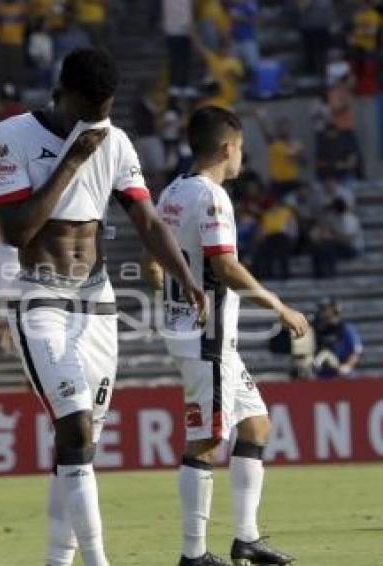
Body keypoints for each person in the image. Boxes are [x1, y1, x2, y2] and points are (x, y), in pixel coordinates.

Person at [0, 47, 207, 566]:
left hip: (98, 301)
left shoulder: (114, 139)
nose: (98, 121)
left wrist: (185, 276)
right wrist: (73, 158)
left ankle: (57, 561)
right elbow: (17, 230)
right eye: (90, 109)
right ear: (62, 92)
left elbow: (148, 220)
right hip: (42, 294)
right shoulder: (12, 135)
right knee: (74, 424)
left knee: (81, 446)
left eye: (106, 110)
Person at [144, 105, 309, 565]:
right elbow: (227, 267)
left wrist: (164, 280)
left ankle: (247, 540)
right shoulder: (213, 198)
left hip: (206, 336)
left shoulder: (173, 191)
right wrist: (279, 306)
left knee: (255, 425)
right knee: (206, 441)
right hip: (207, 337)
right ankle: (193, 555)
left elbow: (154, 250)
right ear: (226, 148)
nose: (243, 159)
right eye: (240, 149)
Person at [312, 298, 362, 378]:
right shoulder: (318, 330)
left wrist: (347, 366)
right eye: (321, 309)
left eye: (325, 309)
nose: (322, 312)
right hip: (324, 377)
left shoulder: (346, 329)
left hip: (343, 376)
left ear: (334, 310)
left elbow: (356, 352)